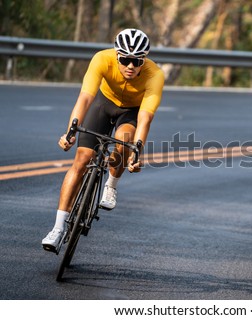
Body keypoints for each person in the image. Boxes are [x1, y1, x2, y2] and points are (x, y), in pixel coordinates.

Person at [42, 28, 165, 252]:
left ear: (143, 60)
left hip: (131, 111)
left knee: (124, 139)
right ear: (117, 55)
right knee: (81, 160)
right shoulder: (101, 59)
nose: (130, 66)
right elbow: (85, 97)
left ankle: (111, 185)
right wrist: (69, 132)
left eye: (137, 61)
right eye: (125, 59)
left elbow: (145, 118)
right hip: (103, 103)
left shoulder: (155, 74)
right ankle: (58, 228)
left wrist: (136, 154)